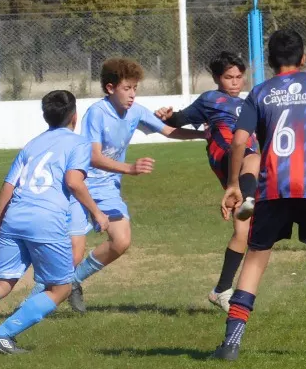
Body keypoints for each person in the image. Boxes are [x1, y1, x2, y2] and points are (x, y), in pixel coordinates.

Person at [212, 29, 306, 360]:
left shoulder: (259, 92)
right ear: (303, 58)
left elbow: (238, 141)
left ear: (270, 61)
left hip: (273, 187)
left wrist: (233, 184)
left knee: (256, 258)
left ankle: (231, 345)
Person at [0, 90, 108, 354]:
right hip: (46, 219)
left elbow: (8, 186)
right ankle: (3, 335)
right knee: (60, 288)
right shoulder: (79, 144)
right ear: (75, 116)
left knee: (2, 282)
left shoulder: (31, 145)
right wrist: (96, 212)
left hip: (14, 217)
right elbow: (74, 181)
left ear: (45, 116)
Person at [62, 57, 204, 310]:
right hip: (82, 185)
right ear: (110, 88)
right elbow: (92, 157)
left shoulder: (135, 112)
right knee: (72, 254)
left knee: (121, 241)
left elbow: (169, 130)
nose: (132, 95)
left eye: (135, 88)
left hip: (108, 189)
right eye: (127, 88)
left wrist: (205, 135)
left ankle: (72, 282)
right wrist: (129, 168)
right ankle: (36, 302)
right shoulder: (97, 113)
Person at [156, 51, 260, 312]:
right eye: (228, 77)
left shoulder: (251, 102)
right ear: (216, 78)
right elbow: (180, 118)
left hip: (246, 167)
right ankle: (247, 197)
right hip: (224, 154)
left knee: (243, 231)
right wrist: (168, 116)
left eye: (239, 77)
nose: (235, 82)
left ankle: (222, 289)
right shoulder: (211, 99)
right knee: (254, 158)